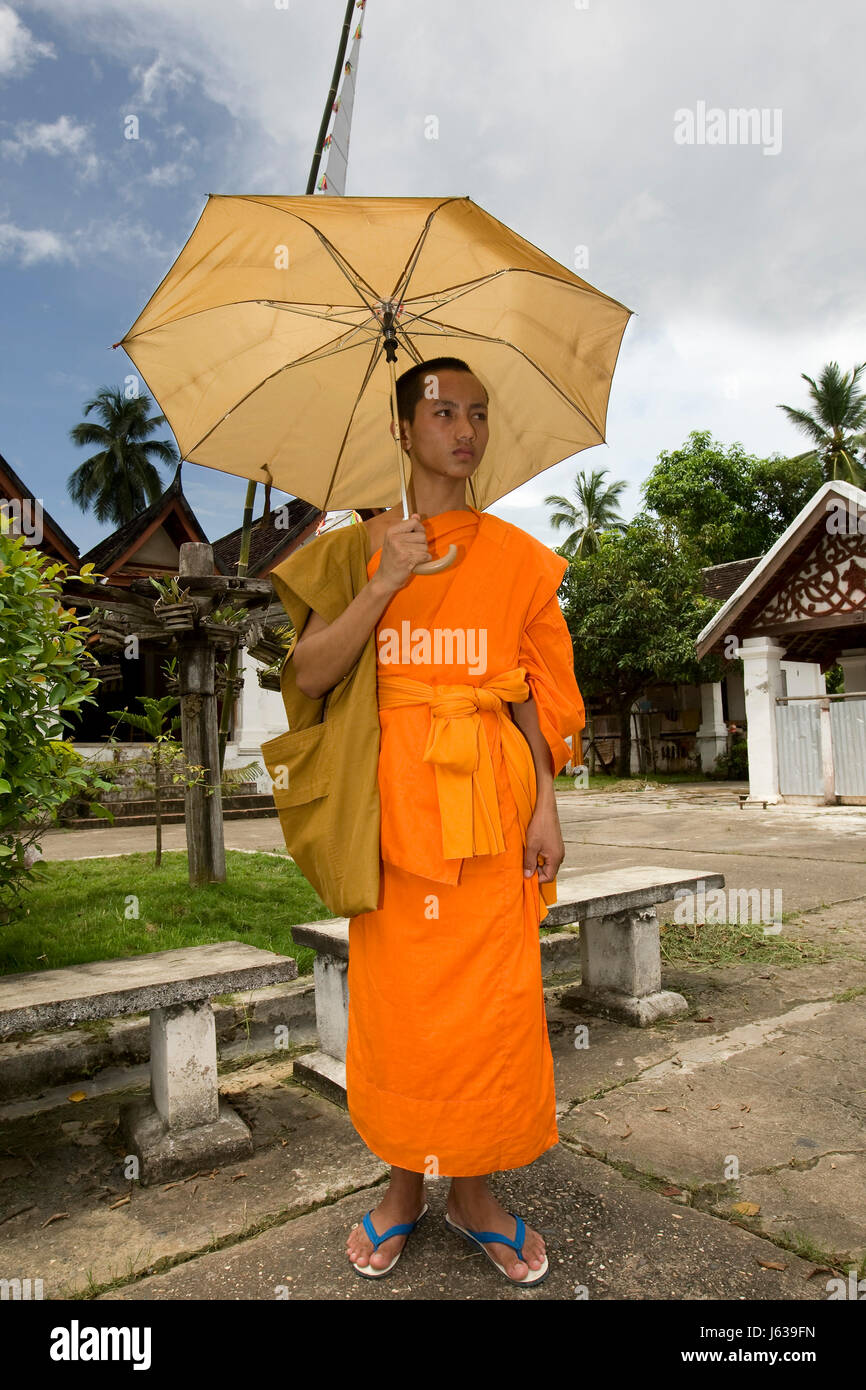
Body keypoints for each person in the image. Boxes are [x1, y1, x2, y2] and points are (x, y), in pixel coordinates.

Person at [292, 357, 584, 1287]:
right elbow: (309, 675)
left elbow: (536, 697)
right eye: (443, 410)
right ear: (402, 430)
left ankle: (474, 1191)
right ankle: (402, 1190)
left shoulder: (520, 560)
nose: (465, 428)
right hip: (394, 818)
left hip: (494, 813)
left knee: (488, 1014)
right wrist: (386, 580)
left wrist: (545, 804)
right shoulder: (351, 550)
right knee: (406, 1016)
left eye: (479, 413)